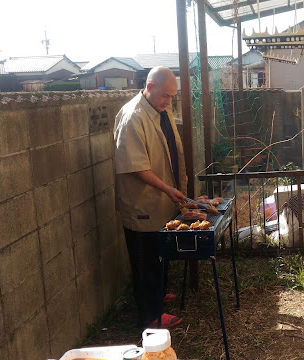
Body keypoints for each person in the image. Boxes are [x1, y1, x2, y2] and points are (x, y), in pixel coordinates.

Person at [114, 66, 187, 329]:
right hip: (142, 204)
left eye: (172, 96)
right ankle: (150, 316)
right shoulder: (134, 117)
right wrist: (168, 189)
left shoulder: (159, 110)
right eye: (165, 95)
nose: (169, 102)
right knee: (144, 260)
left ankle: (159, 295)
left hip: (160, 201)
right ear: (149, 87)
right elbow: (135, 166)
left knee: (158, 255)